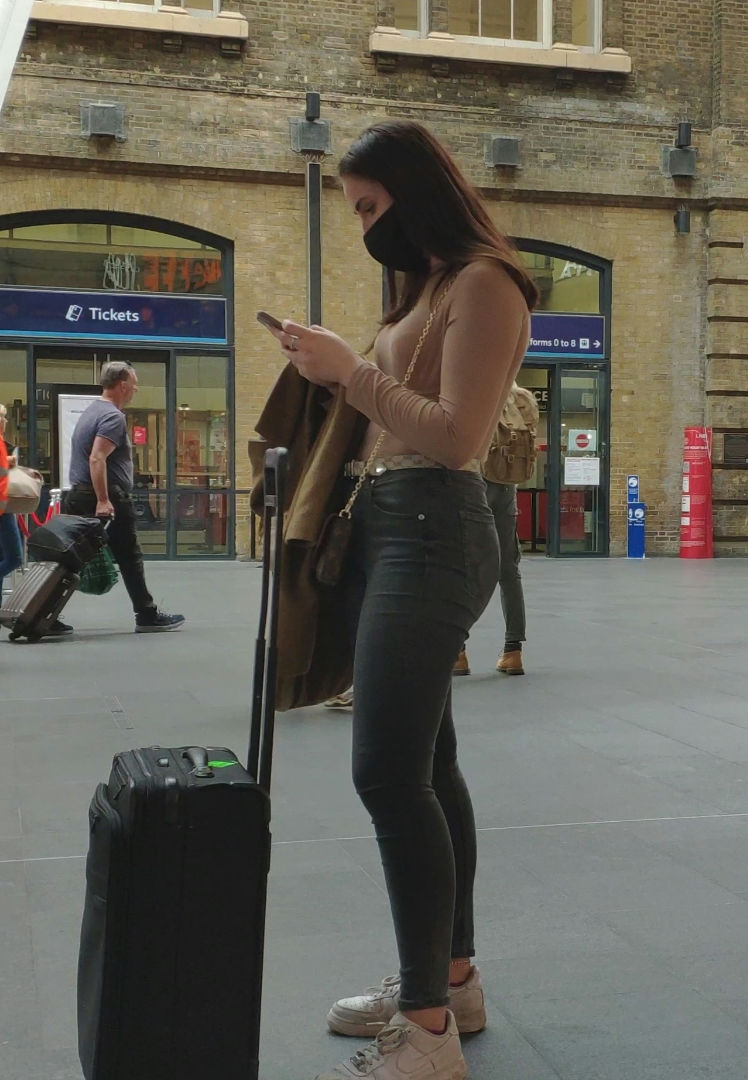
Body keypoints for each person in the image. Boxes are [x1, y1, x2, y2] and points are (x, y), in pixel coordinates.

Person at [264, 120, 537, 1080]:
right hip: (388, 525)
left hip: (433, 525)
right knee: (430, 761)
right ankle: (450, 983)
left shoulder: (485, 283)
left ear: (416, 192)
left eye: (373, 207)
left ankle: (426, 1032)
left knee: (386, 773)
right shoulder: (426, 286)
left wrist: (353, 371)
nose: (366, 227)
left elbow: (458, 436)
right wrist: (330, 369)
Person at [62, 361, 185, 633]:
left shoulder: (92, 411)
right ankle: (146, 615)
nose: (135, 391)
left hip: (80, 494)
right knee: (129, 556)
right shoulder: (112, 416)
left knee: (72, 559)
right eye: (135, 385)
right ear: (123, 385)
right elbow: (97, 458)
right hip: (105, 498)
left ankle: (43, 613)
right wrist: (103, 499)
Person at [0, 404, 25, 614]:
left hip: (3, 508)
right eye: (5, 417)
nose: (7, 421)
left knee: (3, 558)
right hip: (2, 510)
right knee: (15, 558)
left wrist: (7, 461)